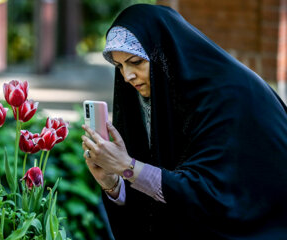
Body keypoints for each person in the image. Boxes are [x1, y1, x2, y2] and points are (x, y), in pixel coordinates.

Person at [81, 3, 287, 239]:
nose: (127, 76)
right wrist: (112, 183)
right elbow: (155, 198)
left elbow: (208, 195)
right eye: (120, 66)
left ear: (165, 53)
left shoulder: (229, 96)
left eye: (136, 62)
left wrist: (127, 167)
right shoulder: (160, 97)